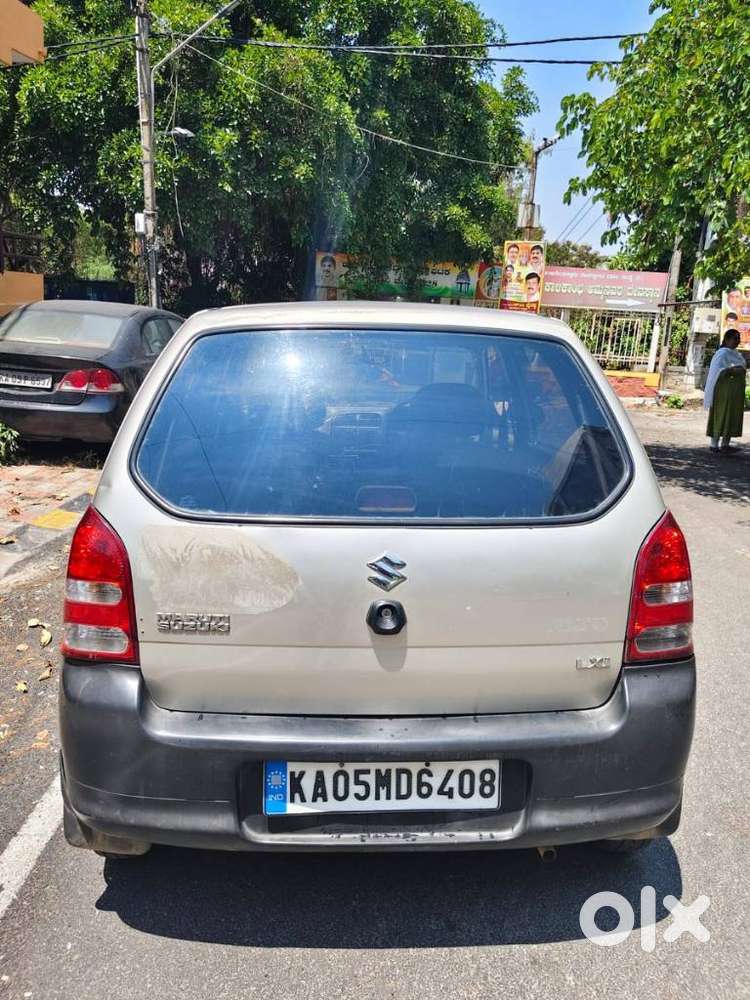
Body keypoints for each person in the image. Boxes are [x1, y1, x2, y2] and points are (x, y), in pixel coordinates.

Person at [704, 329, 747, 453]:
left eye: (738, 339)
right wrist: (733, 370)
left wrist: (739, 369)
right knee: (721, 414)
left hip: (735, 391)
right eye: (735, 338)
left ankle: (725, 444)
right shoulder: (722, 353)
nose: (737, 341)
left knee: (731, 416)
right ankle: (714, 444)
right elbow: (718, 372)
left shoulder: (736, 354)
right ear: (727, 339)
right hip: (723, 390)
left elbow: (742, 367)